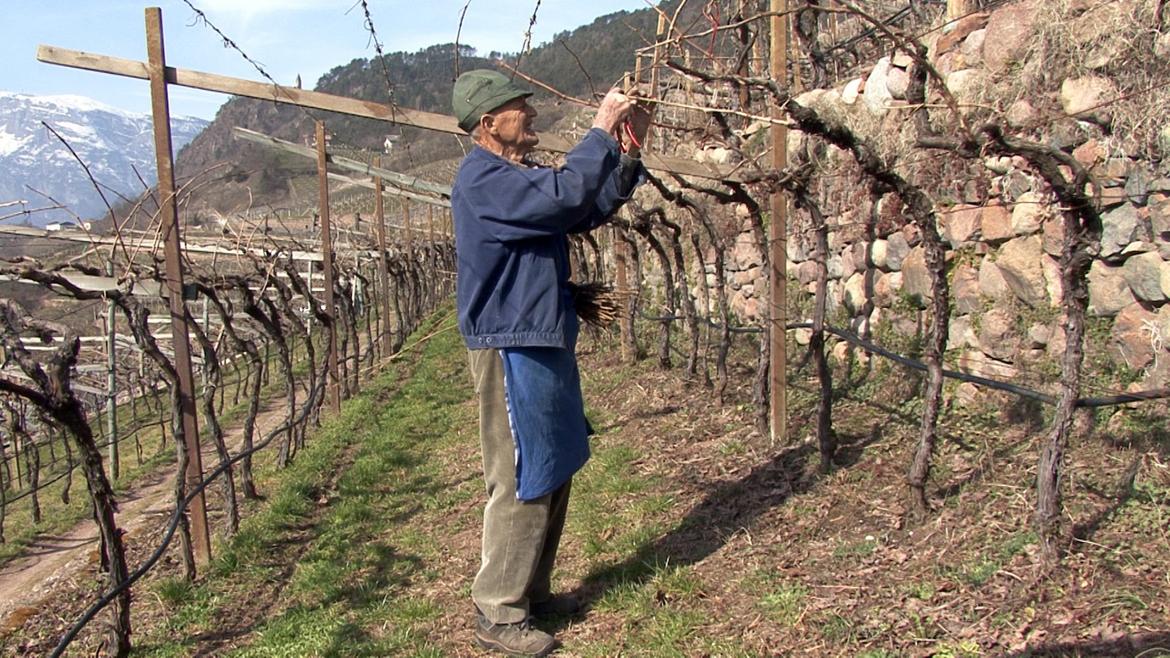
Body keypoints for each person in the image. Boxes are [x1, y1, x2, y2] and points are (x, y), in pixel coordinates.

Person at [450, 69, 651, 656]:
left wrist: (626, 152)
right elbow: (563, 195)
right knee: (520, 475)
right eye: (520, 109)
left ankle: (531, 592)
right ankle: (498, 612)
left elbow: (580, 208)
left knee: (552, 465)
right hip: (511, 343)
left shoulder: (512, 177)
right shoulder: (482, 180)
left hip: (540, 335)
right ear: (489, 124)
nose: (531, 115)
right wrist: (598, 129)